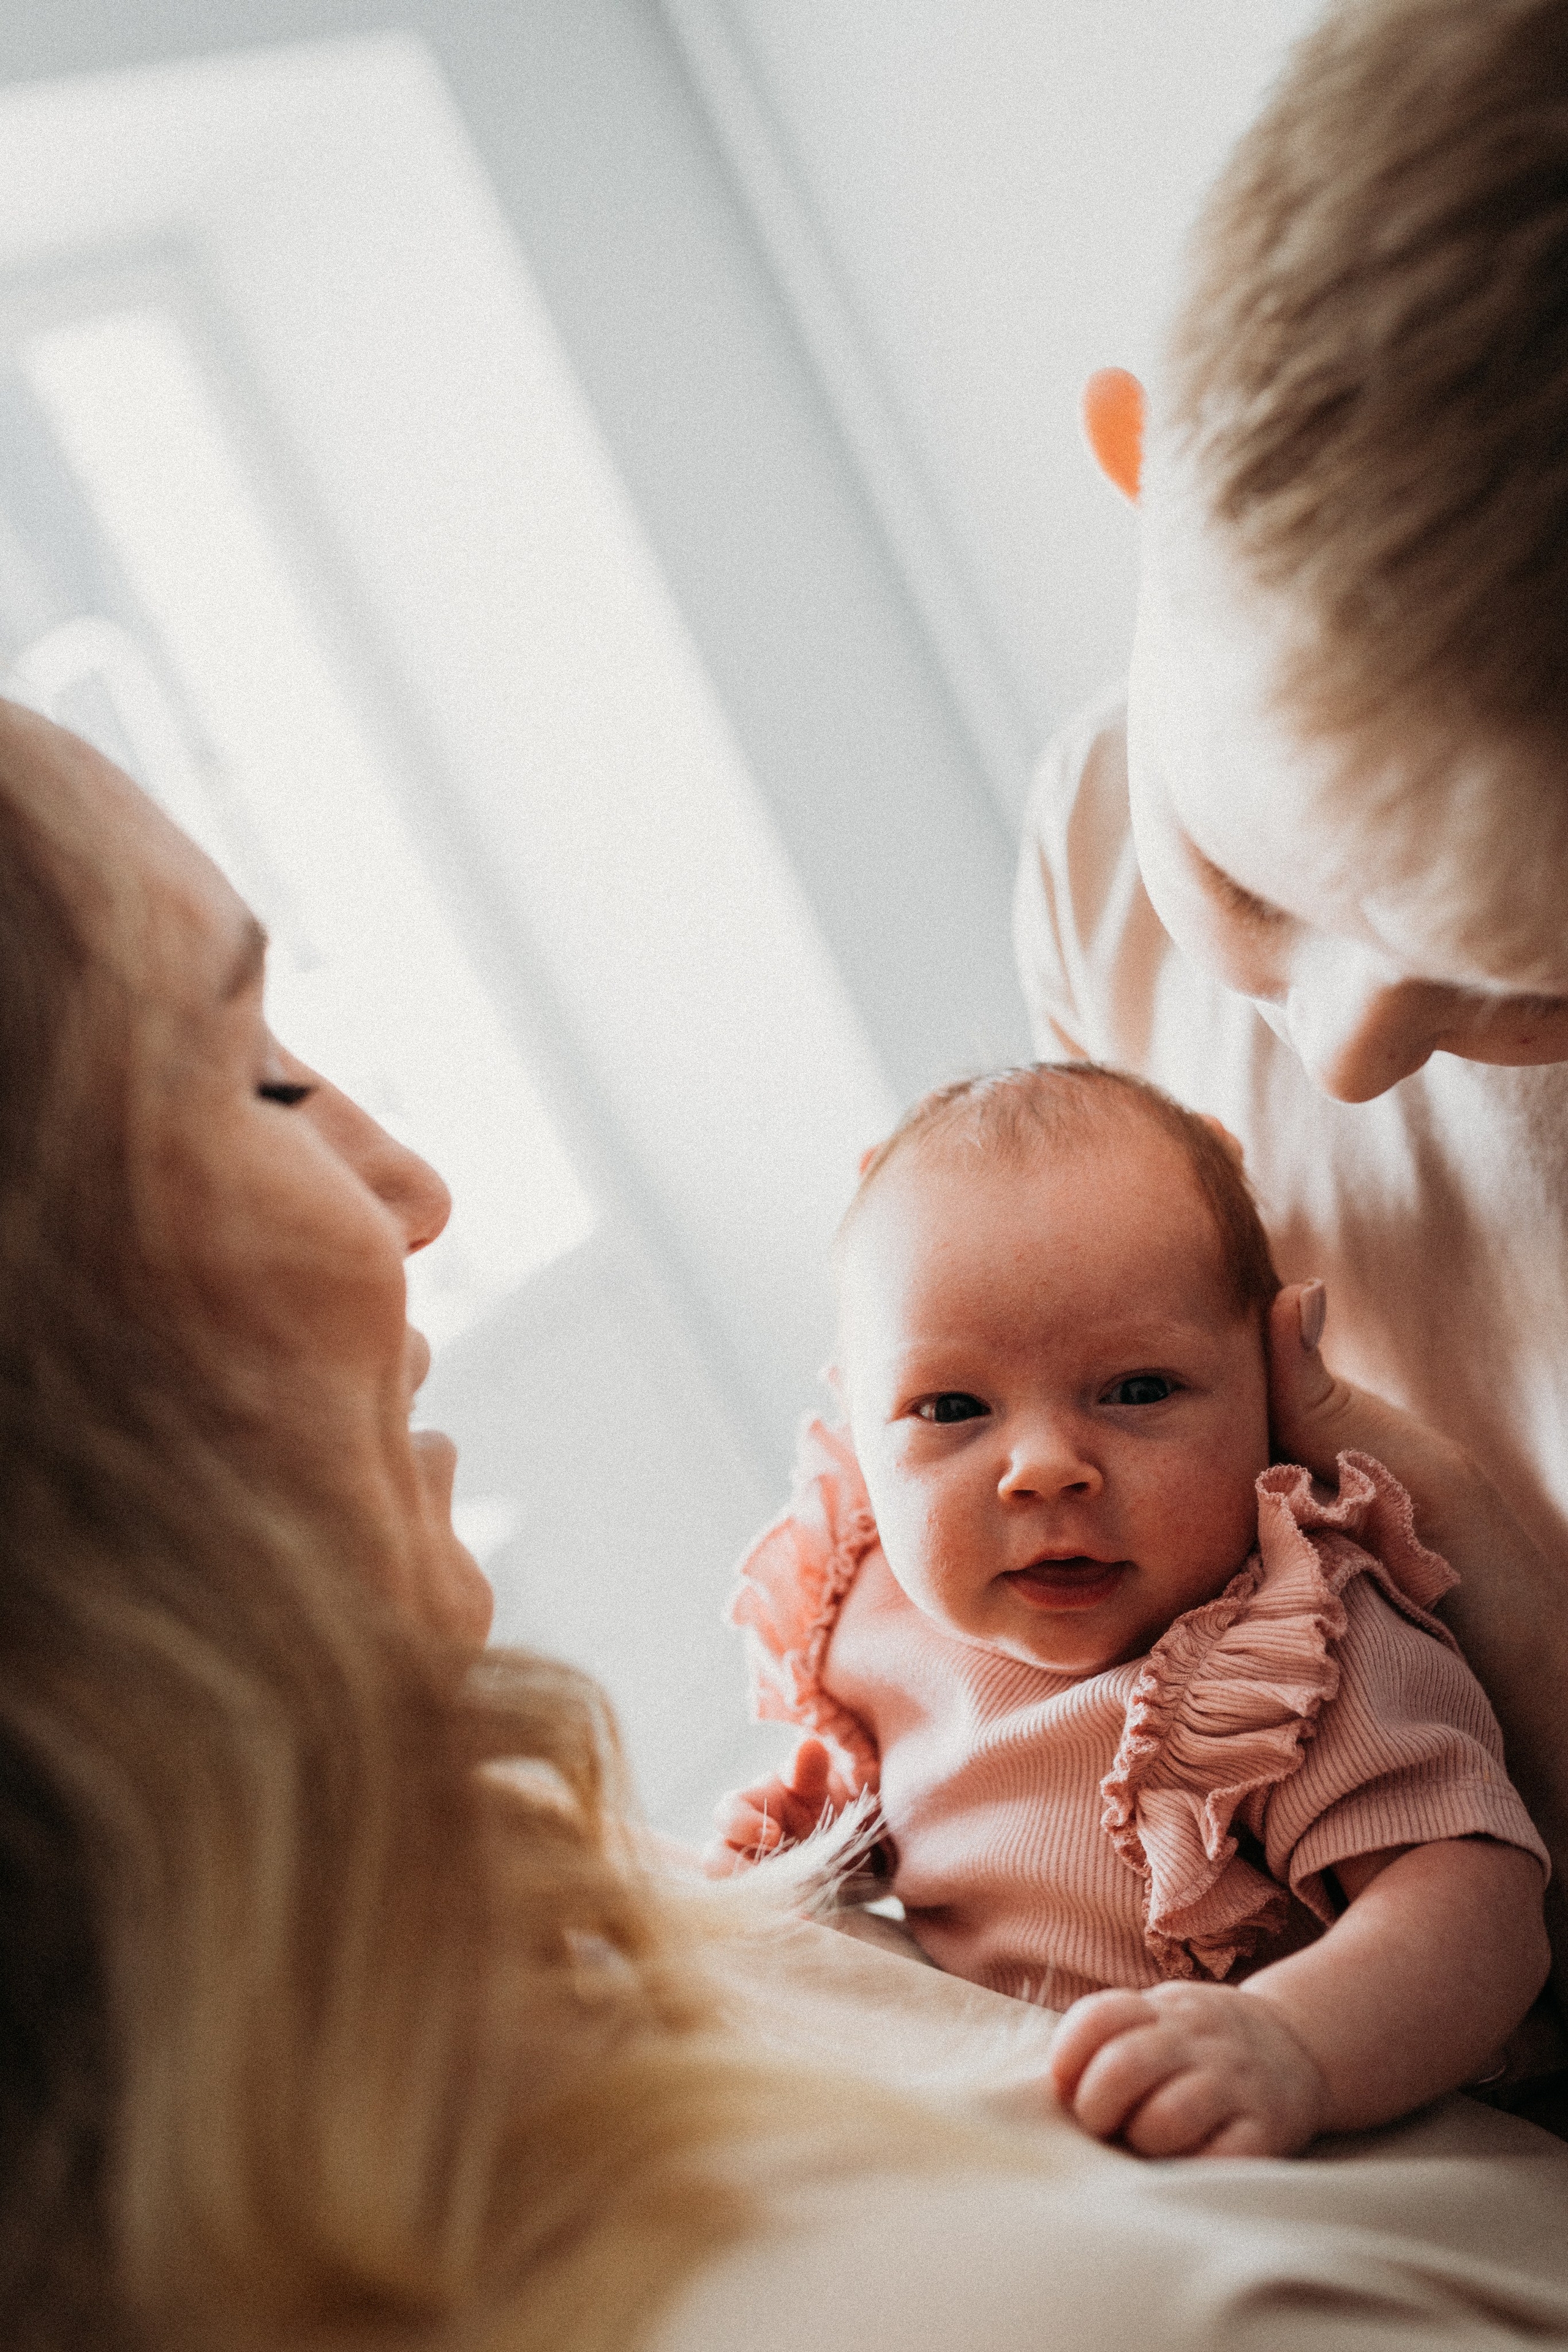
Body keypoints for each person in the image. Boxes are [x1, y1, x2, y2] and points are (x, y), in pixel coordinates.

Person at [1015, 0, 1568, 1988]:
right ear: (1137, 467)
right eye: (1248, 878)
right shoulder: (1095, 831)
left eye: (1531, 996)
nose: (1338, 1050)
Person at [710, 1064, 1548, 2156]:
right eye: (952, 1407)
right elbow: (951, 1817)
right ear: (856, 1420)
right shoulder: (878, 1608)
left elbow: (1480, 1908)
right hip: (1008, 2103)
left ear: (1270, 1381)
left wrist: (1292, 2043)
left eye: (1138, 1390)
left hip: (1326, 2144)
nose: (1046, 1470)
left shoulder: (1292, 1654)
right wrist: (823, 1846)